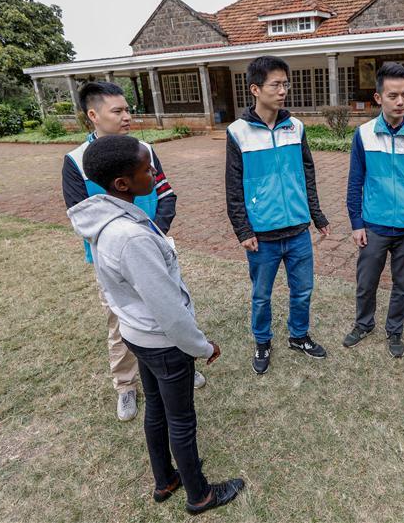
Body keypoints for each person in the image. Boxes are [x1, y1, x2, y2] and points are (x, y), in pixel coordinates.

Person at [67, 134, 244, 515]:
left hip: (137, 335)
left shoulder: (108, 217)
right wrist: (202, 346)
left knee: (157, 412)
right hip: (163, 342)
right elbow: (169, 311)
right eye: (147, 169)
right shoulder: (129, 236)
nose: (155, 173)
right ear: (122, 183)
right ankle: (200, 495)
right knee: (181, 420)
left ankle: (165, 480)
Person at [61, 81, 204, 422]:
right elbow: (82, 216)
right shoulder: (76, 162)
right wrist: (125, 242)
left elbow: (167, 194)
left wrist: (153, 236)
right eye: (118, 111)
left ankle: (183, 361)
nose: (127, 117)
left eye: (128, 109)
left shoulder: (144, 150)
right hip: (114, 262)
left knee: (173, 307)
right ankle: (125, 384)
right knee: (121, 323)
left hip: (152, 250)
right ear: (93, 115)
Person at [225, 55, 331, 375]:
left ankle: (299, 336)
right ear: (256, 89)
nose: (283, 90)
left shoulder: (295, 127)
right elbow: (233, 187)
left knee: (303, 291)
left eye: (286, 84)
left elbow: (307, 175)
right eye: (276, 84)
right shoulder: (238, 132)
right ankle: (262, 340)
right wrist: (243, 230)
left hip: (298, 231)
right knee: (261, 296)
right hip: (262, 236)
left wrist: (317, 216)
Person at [343, 62, 404, 357]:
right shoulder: (364, 134)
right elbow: (355, 181)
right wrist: (357, 223)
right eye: (393, 95)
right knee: (366, 282)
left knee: (403, 285)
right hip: (373, 225)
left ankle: (395, 331)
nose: (400, 102)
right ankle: (363, 323)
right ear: (378, 98)